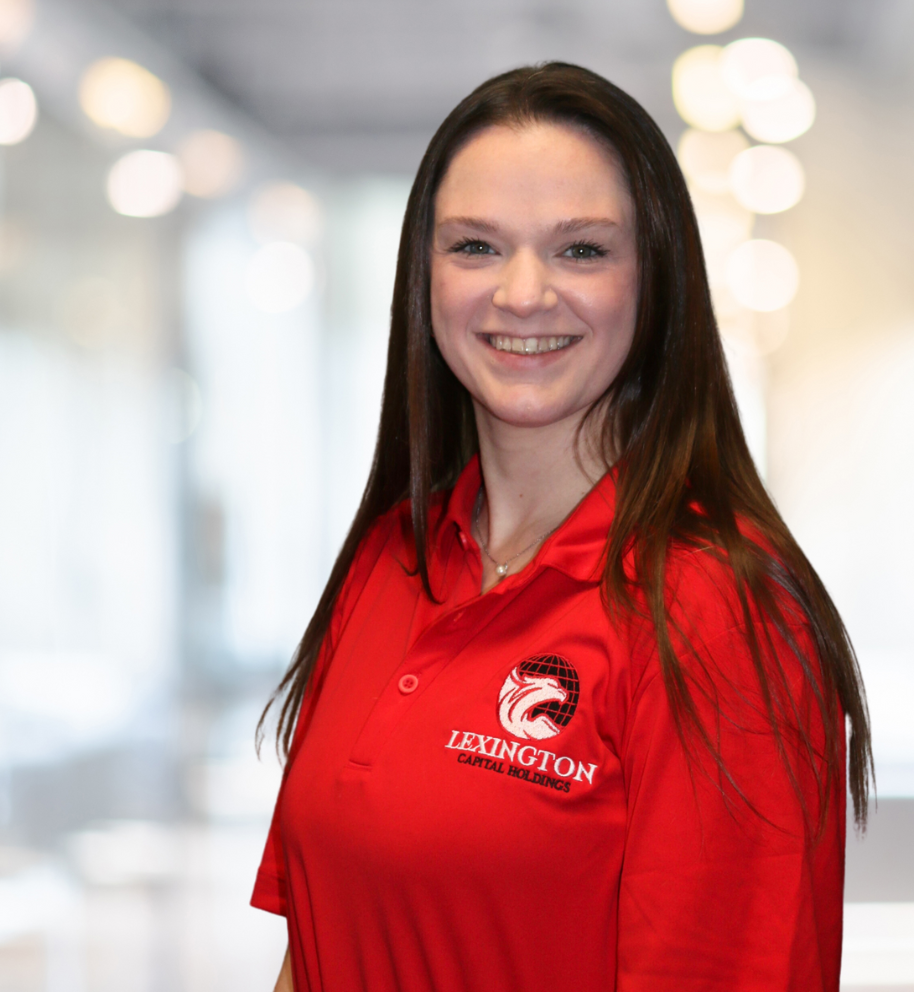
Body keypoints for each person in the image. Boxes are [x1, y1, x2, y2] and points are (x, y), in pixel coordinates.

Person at [253, 62, 871, 992]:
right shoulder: (389, 562)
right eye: (475, 247)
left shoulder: (713, 614)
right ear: (423, 278)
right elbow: (315, 946)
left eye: (581, 249)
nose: (524, 293)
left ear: (654, 280)